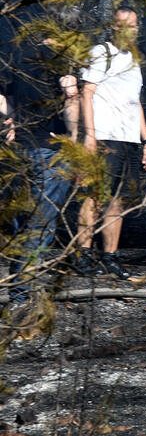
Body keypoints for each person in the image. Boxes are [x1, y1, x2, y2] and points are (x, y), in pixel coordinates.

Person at [75, 6, 146, 279]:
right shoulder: (101, 53)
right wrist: (89, 135)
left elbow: (136, 102)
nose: (129, 30)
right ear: (113, 27)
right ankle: (83, 256)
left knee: (118, 201)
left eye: (133, 26)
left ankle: (110, 257)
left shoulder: (133, 60)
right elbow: (87, 93)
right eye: (123, 25)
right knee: (95, 197)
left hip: (128, 140)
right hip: (104, 137)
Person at [1, 49, 76, 306]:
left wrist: (12, 118)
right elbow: (71, 96)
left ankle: (18, 289)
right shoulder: (63, 58)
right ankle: (21, 296)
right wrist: (75, 138)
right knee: (40, 225)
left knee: (21, 223)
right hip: (49, 151)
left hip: (20, 150)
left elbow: (3, 99)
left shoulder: (21, 56)